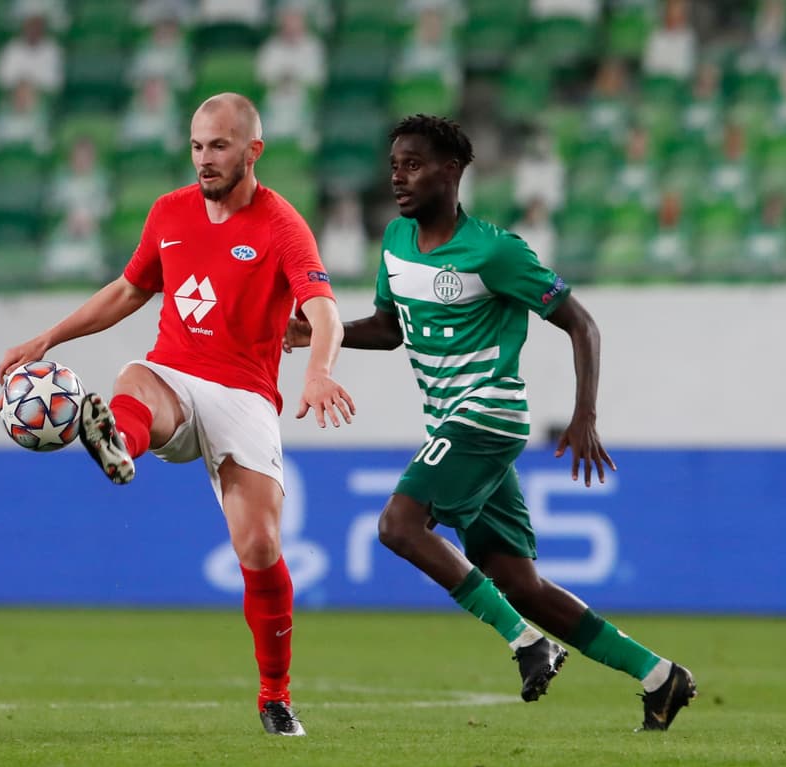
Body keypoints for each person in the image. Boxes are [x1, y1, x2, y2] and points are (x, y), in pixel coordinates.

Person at [283, 115, 697, 732]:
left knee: (399, 525)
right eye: (395, 165)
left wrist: (584, 415)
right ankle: (661, 677)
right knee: (519, 582)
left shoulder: (496, 250)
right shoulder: (395, 242)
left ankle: (527, 643)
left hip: (489, 413)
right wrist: (318, 330)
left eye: (415, 164)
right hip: (451, 422)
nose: (399, 177)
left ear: (452, 171)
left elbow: (581, 323)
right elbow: (390, 329)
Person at [0, 93, 355, 736]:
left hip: (244, 394)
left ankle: (275, 695)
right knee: (136, 377)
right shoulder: (169, 212)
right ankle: (118, 442)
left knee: (260, 546)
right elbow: (130, 289)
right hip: (173, 374)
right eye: (196, 145)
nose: (204, 159)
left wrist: (320, 369)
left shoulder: (280, 224)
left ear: (253, 150)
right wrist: (48, 339)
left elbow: (323, 309)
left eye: (219, 146)